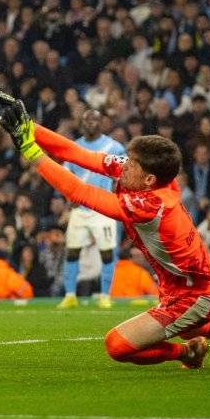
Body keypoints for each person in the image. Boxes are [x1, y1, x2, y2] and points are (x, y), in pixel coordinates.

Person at [0, 88, 210, 368]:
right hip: (179, 285)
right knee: (190, 325)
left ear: (149, 180)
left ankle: (188, 352)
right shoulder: (148, 176)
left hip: (199, 292)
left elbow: (79, 192)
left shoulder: (151, 204)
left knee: (118, 345)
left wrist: (30, 150)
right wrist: (29, 126)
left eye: (131, 164)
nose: (124, 166)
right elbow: (79, 154)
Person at [58, 109, 125, 310]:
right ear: (82, 122)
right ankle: (70, 295)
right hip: (80, 207)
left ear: (102, 122)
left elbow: (125, 172)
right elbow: (65, 173)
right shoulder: (74, 146)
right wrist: (68, 195)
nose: (91, 123)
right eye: (87, 119)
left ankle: (105, 295)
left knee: (107, 253)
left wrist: (116, 189)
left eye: (95, 119)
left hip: (103, 206)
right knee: (72, 251)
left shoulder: (114, 147)